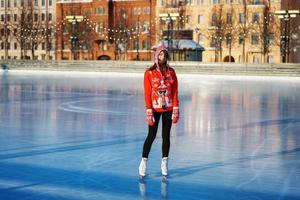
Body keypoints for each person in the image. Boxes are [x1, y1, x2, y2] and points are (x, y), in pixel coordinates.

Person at [139, 44, 179, 177]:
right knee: (151, 135)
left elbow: (174, 91)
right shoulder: (149, 73)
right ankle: (144, 161)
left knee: (166, 136)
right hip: (155, 109)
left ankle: (164, 162)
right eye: (160, 54)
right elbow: (147, 93)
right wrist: (149, 110)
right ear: (156, 56)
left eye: (165, 55)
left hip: (168, 107)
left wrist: (175, 108)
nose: (163, 57)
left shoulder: (171, 72)